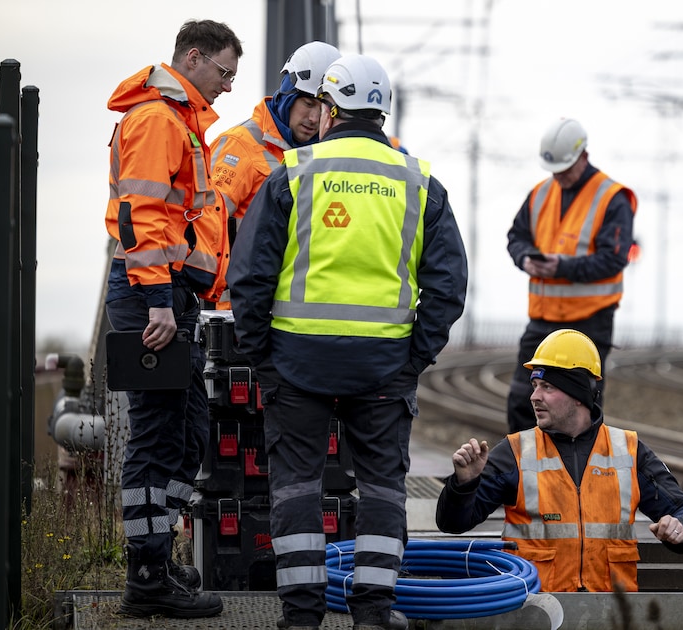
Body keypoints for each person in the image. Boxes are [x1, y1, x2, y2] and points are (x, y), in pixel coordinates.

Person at [228, 54, 468, 630]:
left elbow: (249, 276)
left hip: (296, 361)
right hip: (383, 367)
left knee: (295, 491)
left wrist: (263, 353)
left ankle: (303, 617)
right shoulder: (418, 182)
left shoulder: (294, 171)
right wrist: (414, 357)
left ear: (330, 110)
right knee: (384, 489)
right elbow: (448, 286)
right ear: (382, 113)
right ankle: (373, 615)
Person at [103, 19, 242, 619]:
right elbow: (141, 214)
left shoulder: (180, 123)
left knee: (186, 434)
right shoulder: (159, 121)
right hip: (148, 296)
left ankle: (160, 555)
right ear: (194, 57)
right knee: (157, 436)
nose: (228, 87)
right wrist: (160, 297)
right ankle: (147, 577)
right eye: (224, 72)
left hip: (169, 296)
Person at [435, 329, 683, 593]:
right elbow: (453, 523)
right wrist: (464, 484)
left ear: (578, 395)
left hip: (610, 612)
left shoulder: (628, 451)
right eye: (534, 385)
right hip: (536, 611)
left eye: (547, 387)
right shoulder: (515, 452)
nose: (534, 397)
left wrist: (679, 530)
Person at [504, 118, 637, 433]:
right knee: (524, 399)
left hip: (589, 321)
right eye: (554, 170)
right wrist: (525, 259)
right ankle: (523, 474)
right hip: (543, 320)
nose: (559, 177)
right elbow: (516, 237)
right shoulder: (540, 194)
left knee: (580, 408)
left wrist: (560, 268)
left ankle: (579, 475)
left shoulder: (611, 198)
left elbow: (613, 258)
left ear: (583, 156)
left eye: (565, 169)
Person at [208, 40, 341, 309]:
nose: (314, 118)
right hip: (235, 311)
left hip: (287, 313)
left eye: (323, 108)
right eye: (307, 104)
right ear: (287, 96)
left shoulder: (322, 156)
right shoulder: (240, 145)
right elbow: (208, 226)